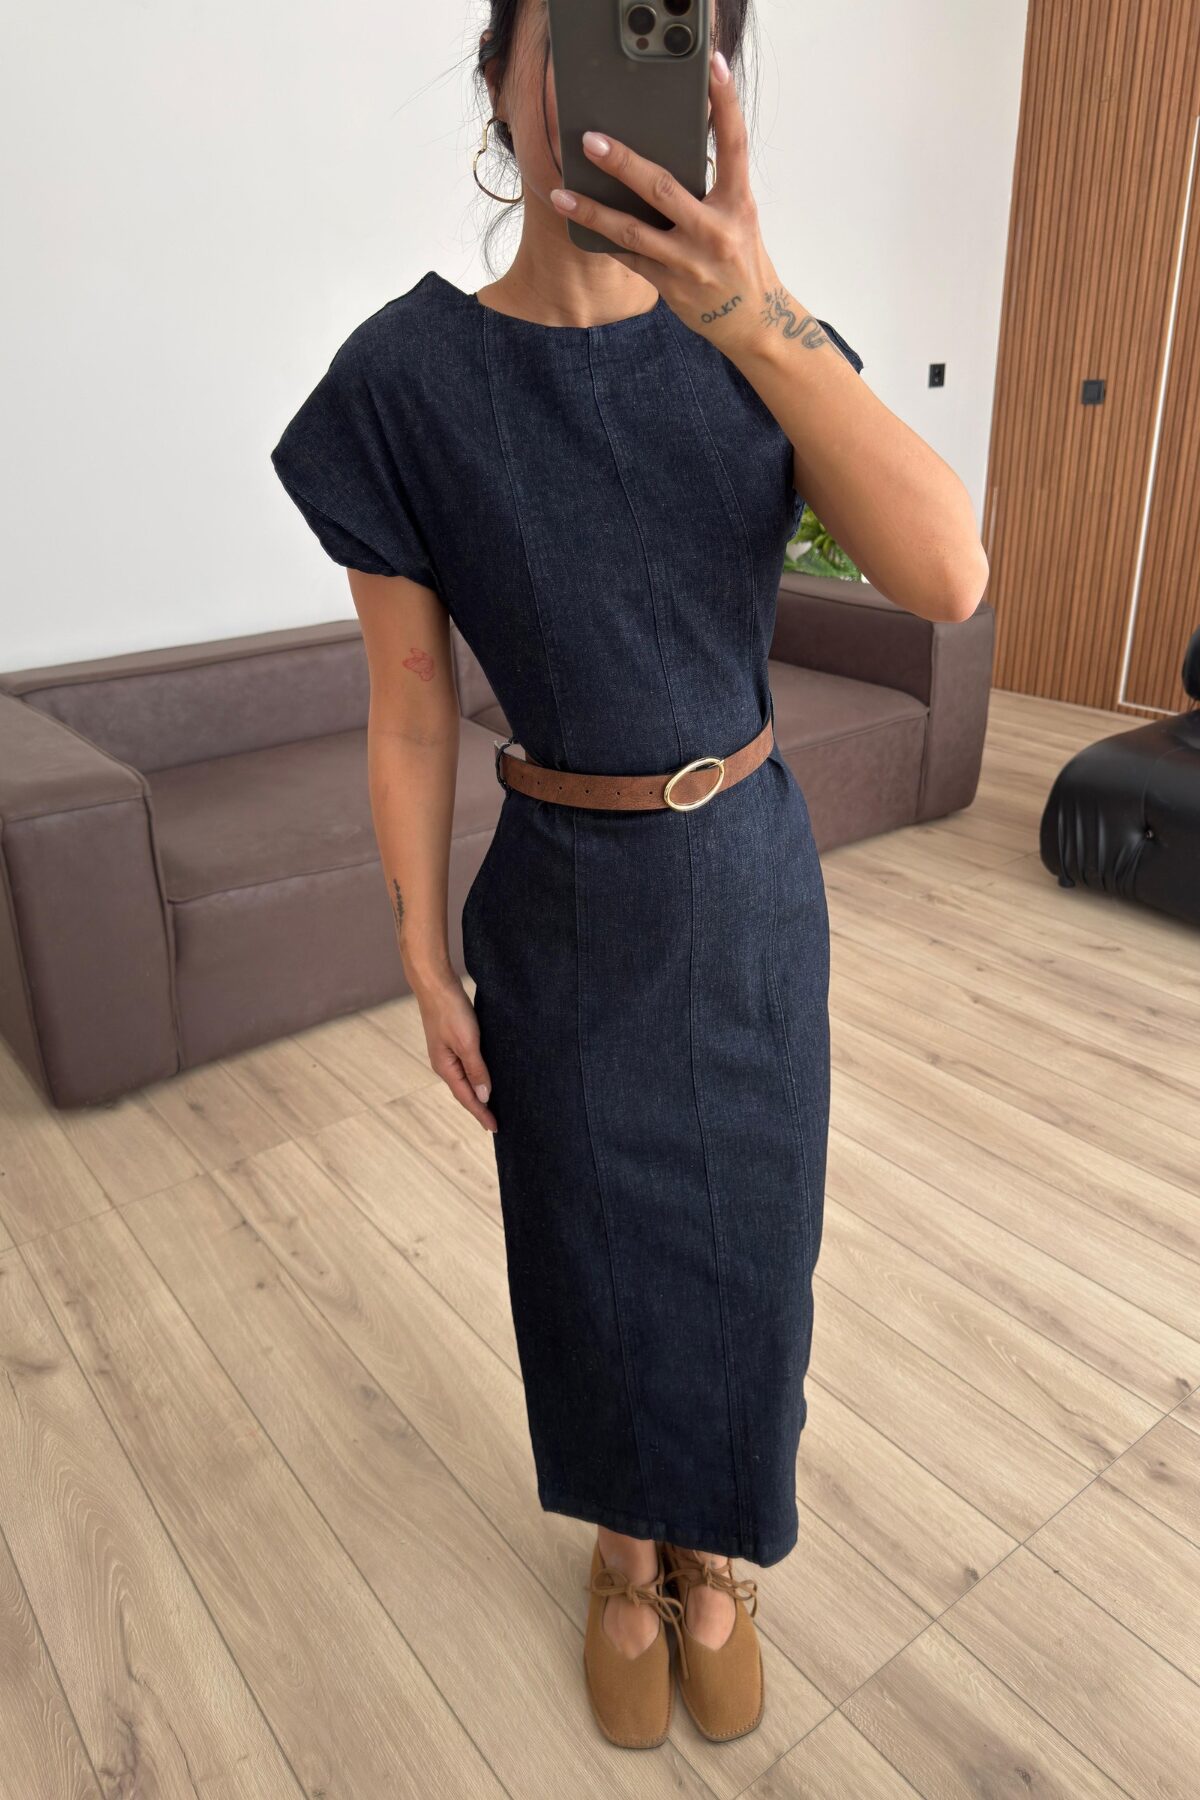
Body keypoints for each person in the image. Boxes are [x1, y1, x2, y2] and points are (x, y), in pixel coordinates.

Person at [269, 0, 988, 1752]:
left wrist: (751, 302)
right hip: (561, 903)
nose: (608, 77)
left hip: (745, 887)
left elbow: (949, 576)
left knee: (750, 1257)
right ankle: (620, 1545)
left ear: (713, 83)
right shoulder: (404, 382)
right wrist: (421, 955)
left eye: (667, 27)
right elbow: (411, 703)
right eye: (577, 24)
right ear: (502, 71)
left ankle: (714, 1552)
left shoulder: (757, 339)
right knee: (584, 1257)